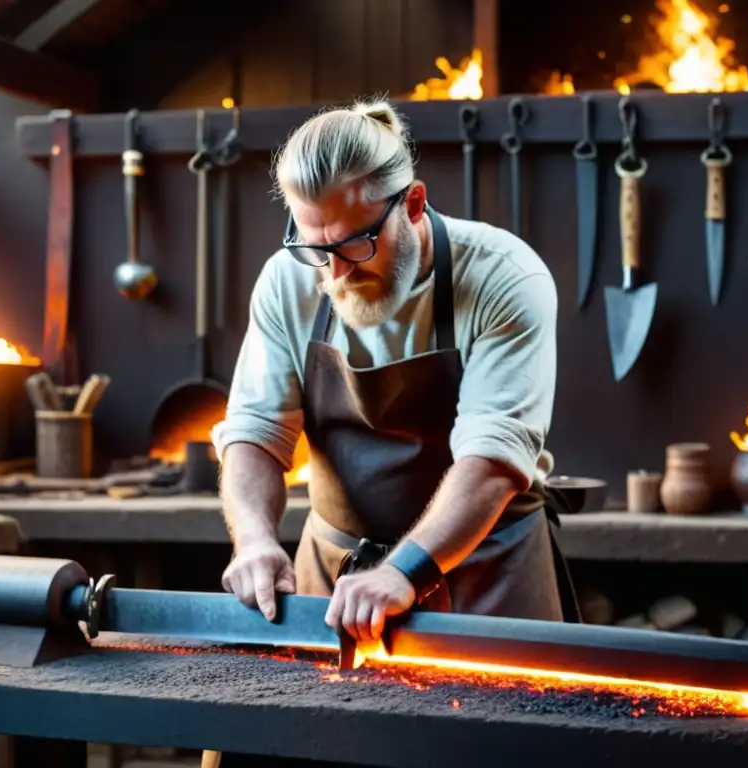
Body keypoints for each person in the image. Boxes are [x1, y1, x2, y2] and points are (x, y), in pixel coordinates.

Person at [212, 96, 566, 647]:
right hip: (334, 578)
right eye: (315, 247)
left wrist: (404, 572)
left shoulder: (504, 276)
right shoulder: (290, 278)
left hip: (487, 576)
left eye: (356, 244)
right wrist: (254, 539)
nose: (335, 273)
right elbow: (256, 432)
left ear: (415, 203)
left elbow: (493, 459)